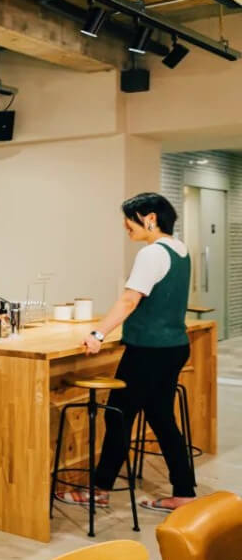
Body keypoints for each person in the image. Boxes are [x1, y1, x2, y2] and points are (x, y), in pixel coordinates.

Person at [63, 192, 196, 512]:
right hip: (175, 346)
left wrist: (97, 333)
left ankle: (100, 489)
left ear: (149, 217)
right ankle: (184, 492)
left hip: (148, 351)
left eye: (129, 221)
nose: (126, 227)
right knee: (162, 418)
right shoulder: (181, 249)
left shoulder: (152, 254)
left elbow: (129, 300)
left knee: (118, 416)